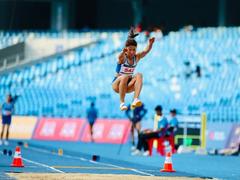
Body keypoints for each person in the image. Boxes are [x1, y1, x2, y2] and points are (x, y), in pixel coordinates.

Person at [112, 27, 155, 111]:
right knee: (125, 76)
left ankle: (135, 99)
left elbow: (145, 51)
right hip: (116, 85)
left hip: (127, 86)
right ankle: (122, 103)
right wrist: (123, 52)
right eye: (130, 50)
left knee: (139, 75)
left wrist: (150, 44)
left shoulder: (137, 57)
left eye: (134, 49)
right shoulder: (123, 58)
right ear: (126, 50)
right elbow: (119, 57)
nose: (132, 52)